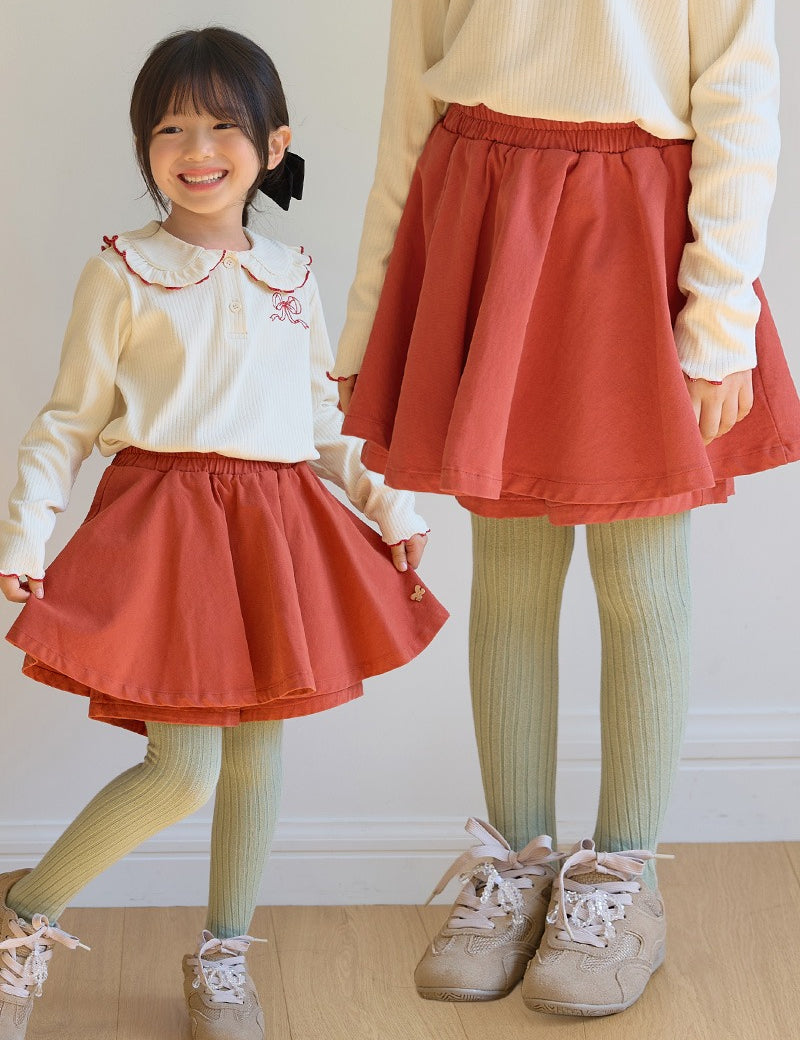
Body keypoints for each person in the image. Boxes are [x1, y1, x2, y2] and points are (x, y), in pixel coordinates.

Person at [332, 0, 800, 1018]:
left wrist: (717, 314)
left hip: (632, 223)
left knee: (639, 576)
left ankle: (624, 878)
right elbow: (407, 108)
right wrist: (369, 316)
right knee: (508, 578)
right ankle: (516, 863)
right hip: (483, 213)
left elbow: (738, 91)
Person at [0, 26, 447, 1040]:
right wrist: (24, 535)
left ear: (273, 144)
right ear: (144, 147)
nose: (195, 149)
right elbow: (67, 420)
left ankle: (224, 952)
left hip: (276, 527)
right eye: (169, 129)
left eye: (220, 126)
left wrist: (392, 506)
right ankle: (22, 916)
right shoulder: (123, 271)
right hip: (168, 531)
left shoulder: (292, 272)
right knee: (184, 768)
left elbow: (324, 420)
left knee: (254, 756)